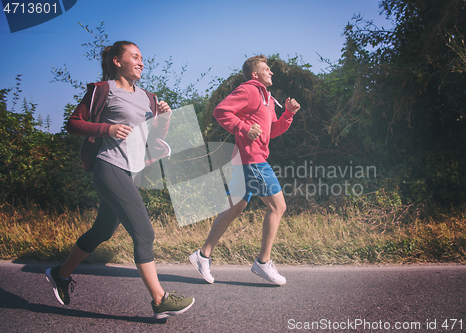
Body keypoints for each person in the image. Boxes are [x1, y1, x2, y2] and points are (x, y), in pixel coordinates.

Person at [45, 41, 194, 320]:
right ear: (117, 60)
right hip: (109, 167)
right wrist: (108, 128)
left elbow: (154, 137)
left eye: (142, 58)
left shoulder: (148, 97)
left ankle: (60, 274)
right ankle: (160, 299)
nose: (140, 62)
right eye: (134, 56)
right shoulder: (103, 90)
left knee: (102, 231)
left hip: (131, 170)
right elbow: (74, 123)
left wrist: (165, 118)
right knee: (144, 233)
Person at [189, 55, 300, 285]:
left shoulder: (267, 98)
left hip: (245, 160)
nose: (271, 72)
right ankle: (263, 263)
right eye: (266, 68)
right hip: (253, 160)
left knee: (234, 207)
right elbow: (221, 111)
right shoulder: (249, 91)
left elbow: (271, 131)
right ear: (254, 74)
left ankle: (202, 255)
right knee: (278, 207)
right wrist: (243, 127)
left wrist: (288, 114)